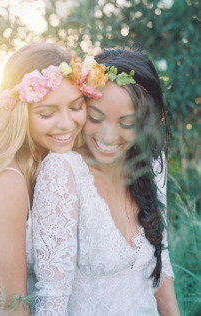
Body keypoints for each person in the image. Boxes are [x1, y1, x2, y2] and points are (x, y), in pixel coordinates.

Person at [0, 41, 105, 315]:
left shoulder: (47, 163)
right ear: (19, 113)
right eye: (47, 113)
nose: (67, 123)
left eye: (75, 106)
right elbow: (10, 306)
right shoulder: (5, 180)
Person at [31, 48, 180, 315]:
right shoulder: (63, 172)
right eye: (96, 117)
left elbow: (161, 264)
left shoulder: (153, 164)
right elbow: (51, 299)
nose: (109, 137)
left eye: (127, 123)